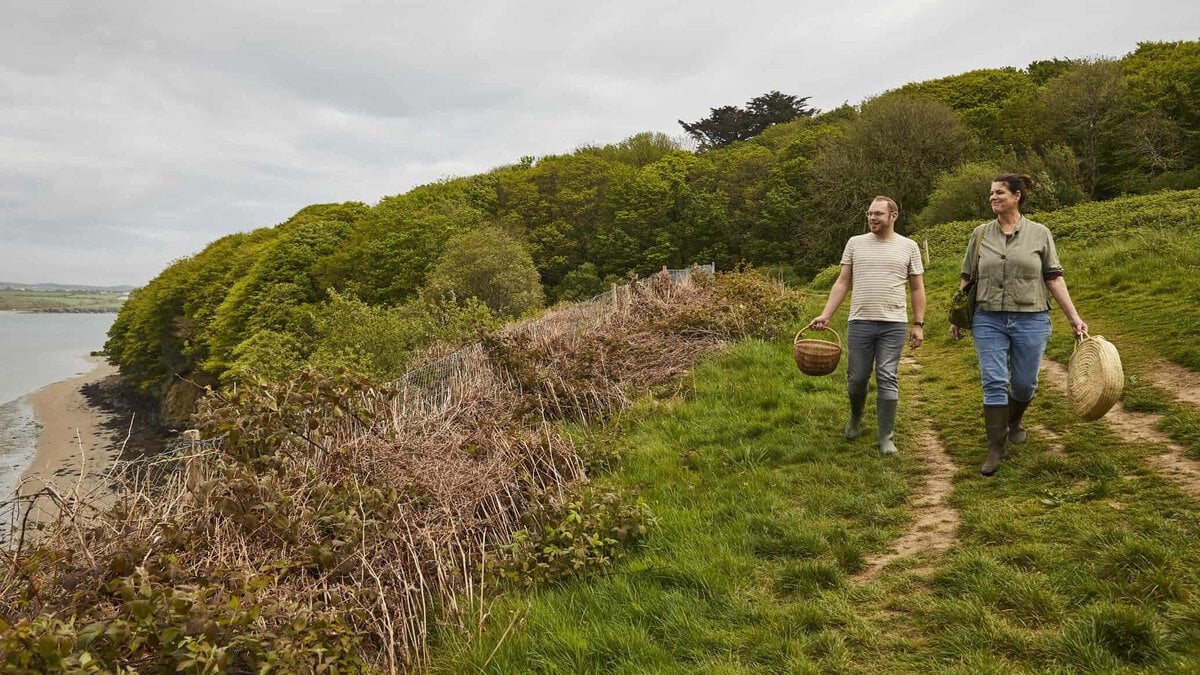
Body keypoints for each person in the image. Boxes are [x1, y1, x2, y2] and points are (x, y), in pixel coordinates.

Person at [950, 174, 1087, 476]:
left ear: (1017, 196)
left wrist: (1074, 317)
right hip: (988, 317)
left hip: (1032, 317)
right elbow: (967, 277)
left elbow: (1054, 277)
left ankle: (1013, 422)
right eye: (991, 194)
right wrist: (956, 316)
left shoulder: (1040, 234)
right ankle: (995, 447)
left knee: (1025, 384)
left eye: (999, 193)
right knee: (994, 382)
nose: (993, 198)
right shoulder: (980, 234)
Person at [811, 196, 926, 455]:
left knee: (887, 375)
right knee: (857, 378)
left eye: (878, 214)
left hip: (893, 324)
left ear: (893, 216)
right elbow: (842, 282)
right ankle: (855, 417)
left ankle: (886, 437)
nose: (872, 218)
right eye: (870, 214)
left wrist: (918, 324)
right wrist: (826, 314)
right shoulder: (855, 243)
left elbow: (918, 288)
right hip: (860, 322)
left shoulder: (909, 246)